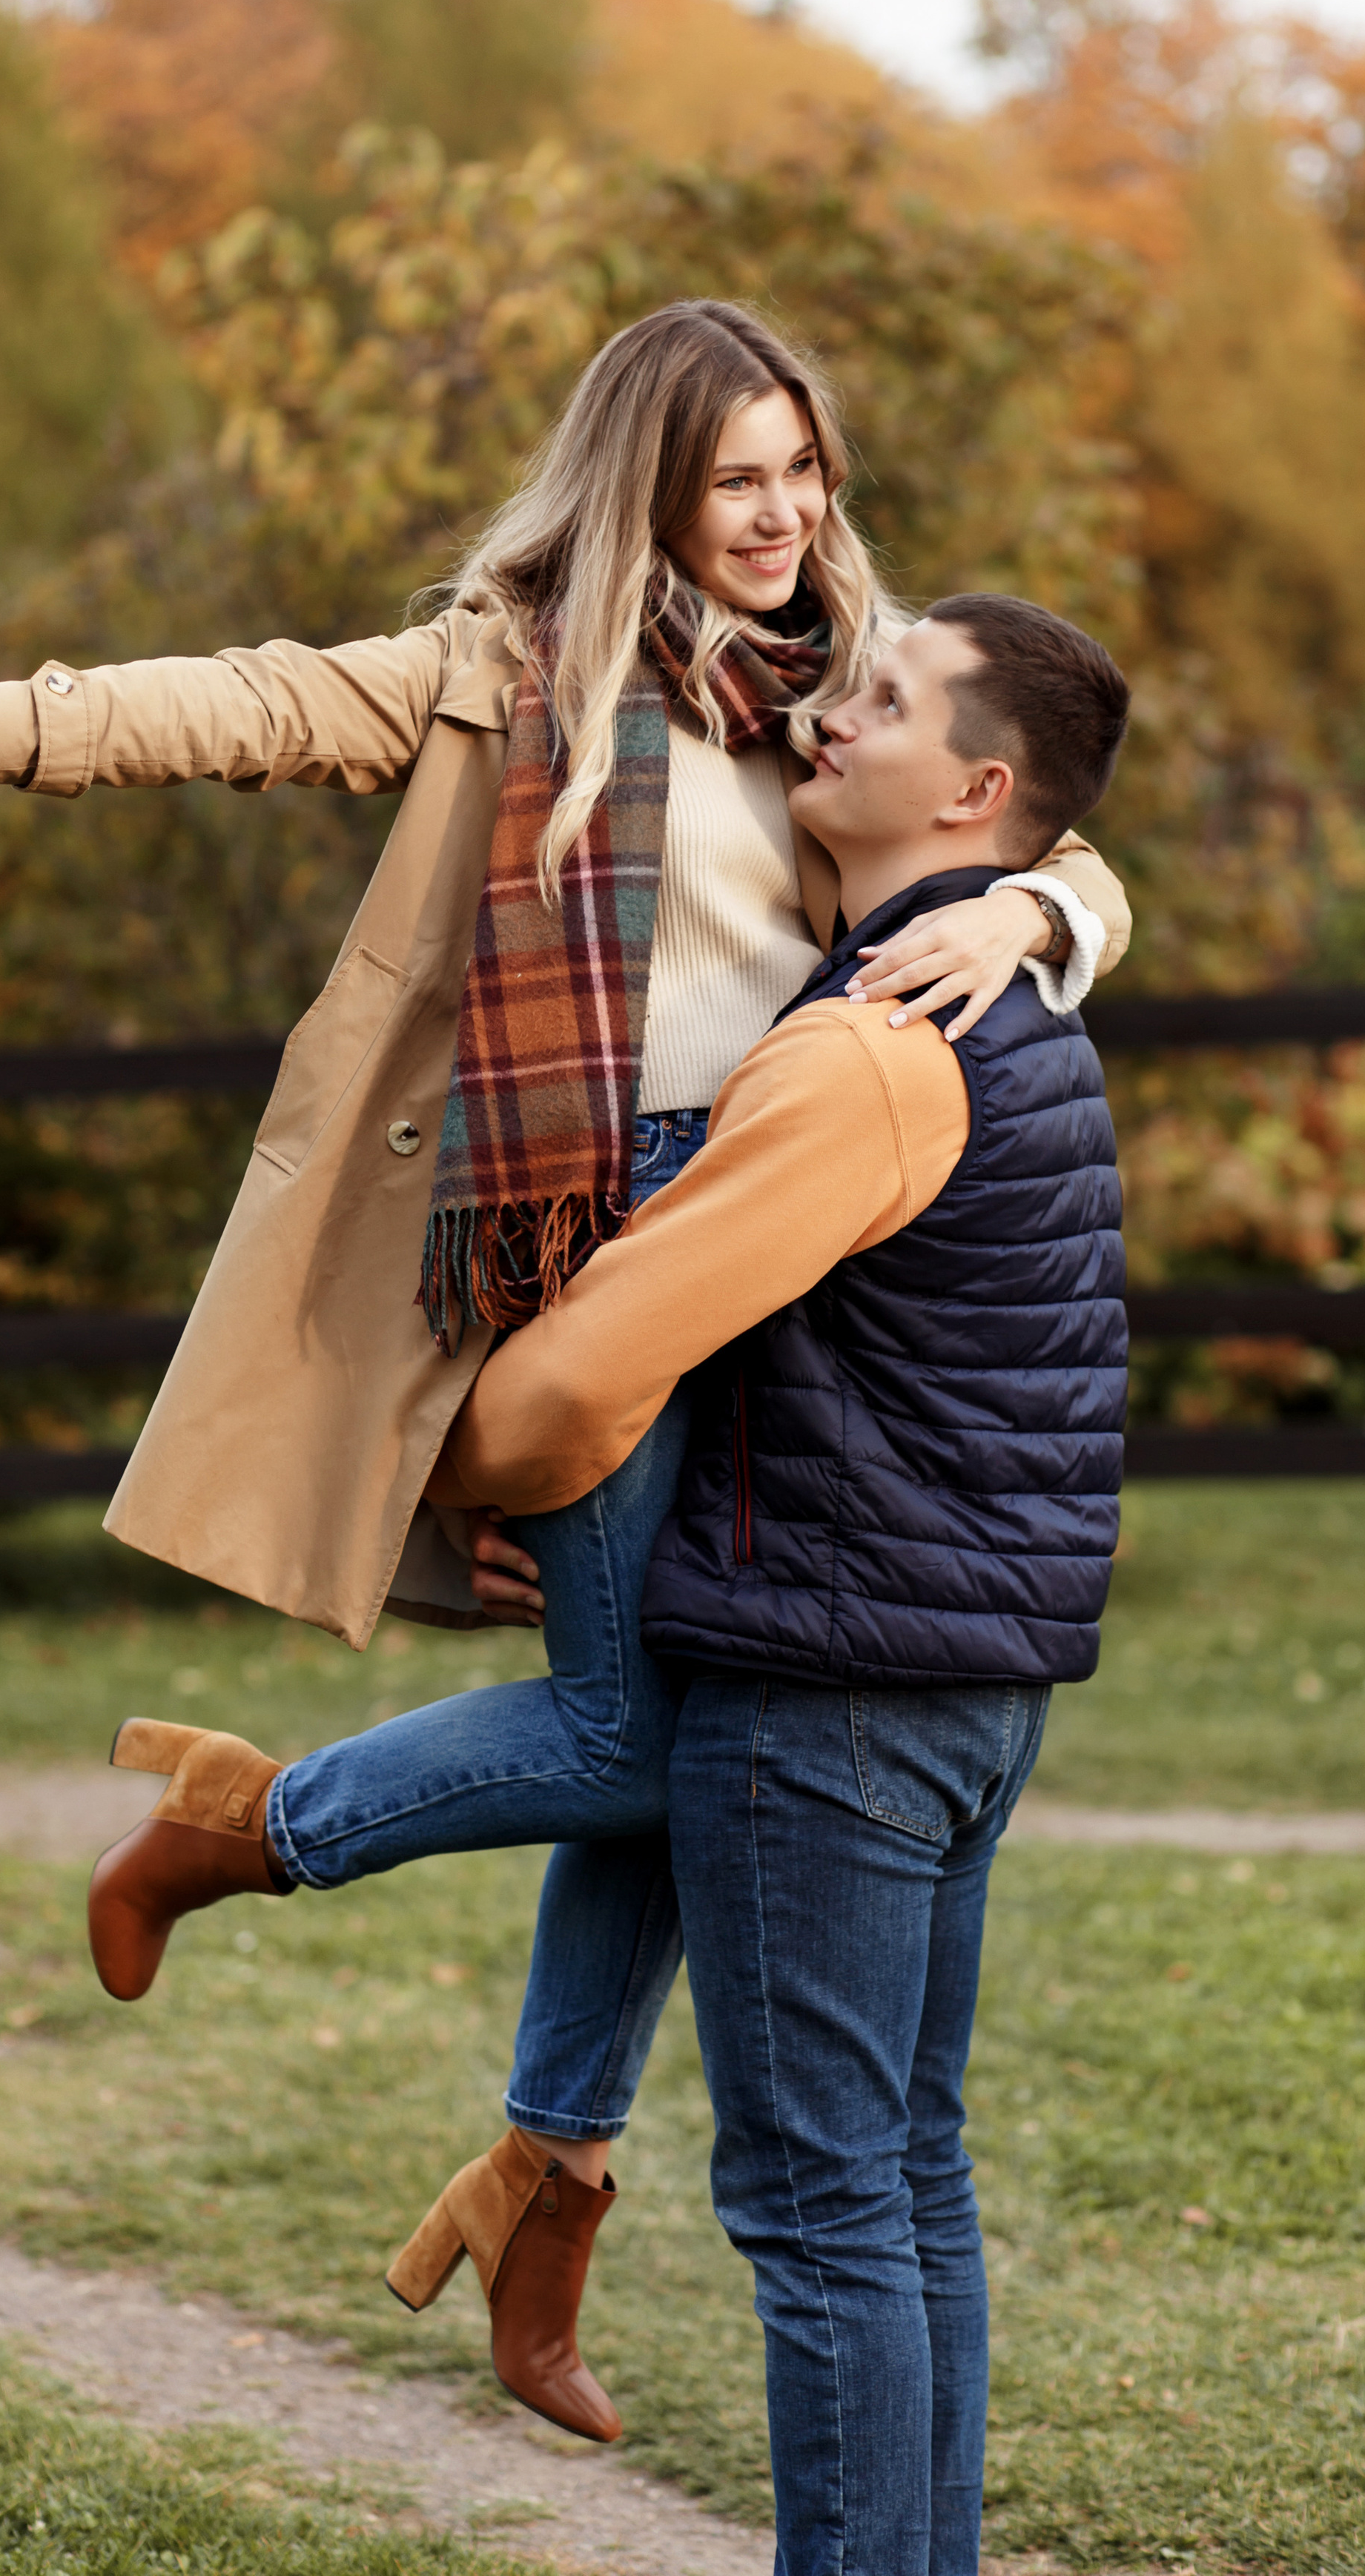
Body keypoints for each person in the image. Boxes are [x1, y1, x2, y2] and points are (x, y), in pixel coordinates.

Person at [0, 305, 1131, 2443]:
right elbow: (228, 707)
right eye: (739, 479)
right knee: (643, 1733)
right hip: (587, 1248)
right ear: (651, 490)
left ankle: (546, 2163)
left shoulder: (849, 689)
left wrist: (1053, 921)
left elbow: (1042, 798)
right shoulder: (507, 677)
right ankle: (268, 1840)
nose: (788, 515)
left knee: (697, 1718)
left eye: (807, 467)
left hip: (787, 1267)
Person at [429, 591, 1131, 2572]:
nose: (838, 709)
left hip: (822, 1698)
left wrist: (419, 1455)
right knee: (904, 2181)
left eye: (890, 702)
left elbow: (580, 1376)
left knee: (831, 2209)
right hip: (965, 1692)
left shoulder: (867, 1050)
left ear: (979, 792)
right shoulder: (1017, 1001)